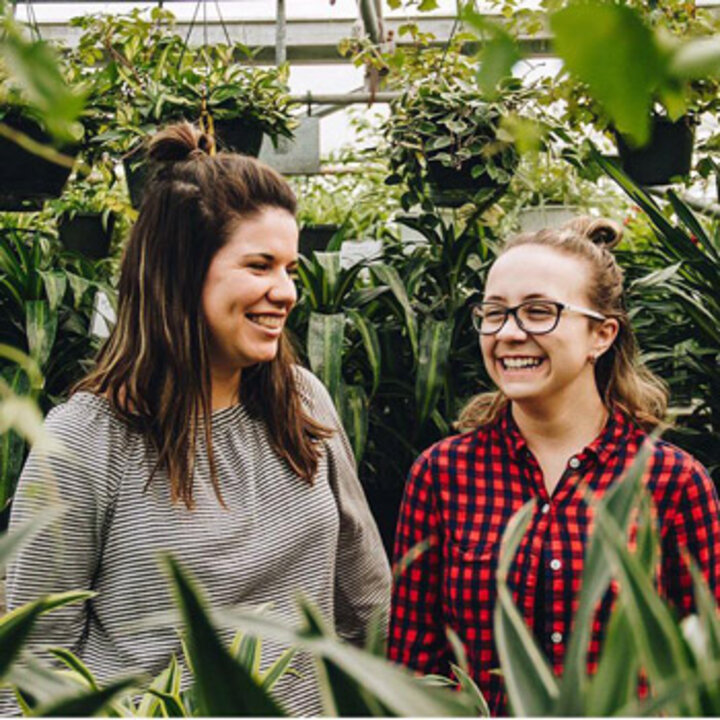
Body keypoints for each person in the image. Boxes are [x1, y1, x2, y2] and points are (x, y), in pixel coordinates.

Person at [5, 122, 391, 715]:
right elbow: (31, 664)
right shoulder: (85, 441)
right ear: (182, 271)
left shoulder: (303, 400)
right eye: (260, 265)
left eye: (290, 268)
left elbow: (361, 591)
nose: (287, 291)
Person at [387, 216, 720, 714]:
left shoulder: (671, 482)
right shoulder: (443, 474)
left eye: (539, 312)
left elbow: (705, 667)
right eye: (495, 313)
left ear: (601, 335)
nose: (509, 333)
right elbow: (414, 665)